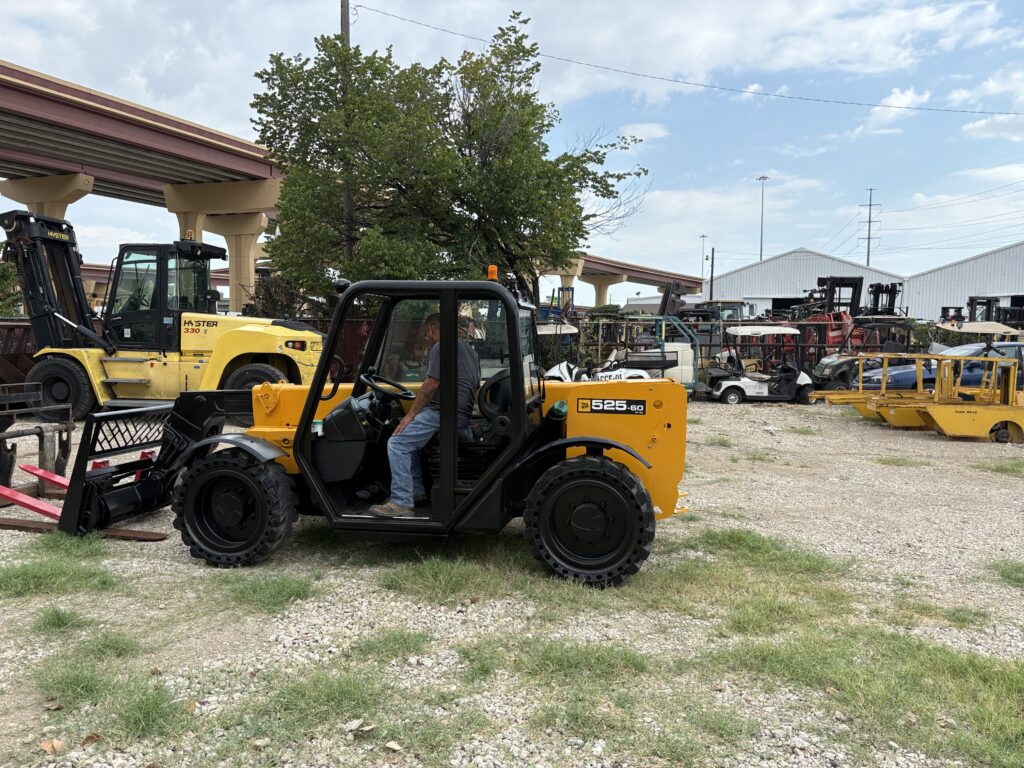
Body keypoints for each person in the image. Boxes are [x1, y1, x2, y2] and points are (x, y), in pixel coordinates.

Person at [368, 313, 481, 518]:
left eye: (427, 333)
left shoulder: (441, 346)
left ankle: (401, 502)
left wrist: (410, 414)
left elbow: (431, 384)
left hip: (442, 412)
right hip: (460, 413)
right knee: (410, 441)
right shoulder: (470, 351)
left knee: (397, 443)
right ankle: (416, 492)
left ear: (431, 329)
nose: (427, 338)